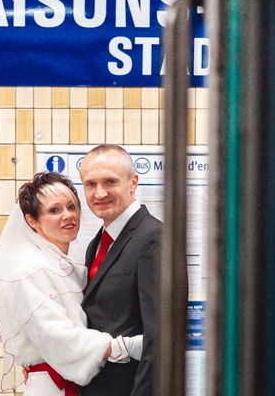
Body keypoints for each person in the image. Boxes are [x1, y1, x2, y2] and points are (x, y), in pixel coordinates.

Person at [0, 172, 142, 396]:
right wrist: (122, 347)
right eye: (54, 210)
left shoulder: (73, 261)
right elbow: (55, 336)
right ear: (32, 220)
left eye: (72, 207)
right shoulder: (26, 269)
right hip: (52, 387)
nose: (68, 216)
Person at [79, 144, 161, 396]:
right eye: (90, 184)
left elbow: (160, 339)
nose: (99, 193)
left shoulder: (153, 237)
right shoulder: (98, 243)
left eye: (110, 182)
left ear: (133, 183)